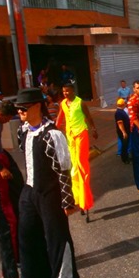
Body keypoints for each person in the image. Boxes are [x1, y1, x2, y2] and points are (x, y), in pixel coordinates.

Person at [15, 87, 80, 278]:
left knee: (58, 249)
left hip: (49, 196)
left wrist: (67, 201)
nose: (20, 112)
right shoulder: (22, 131)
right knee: (28, 247)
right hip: (29, 194)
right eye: (18, 109)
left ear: (37, 106)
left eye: (23, 108)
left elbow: (63, 169)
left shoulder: (52, 134)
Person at [56, 82, 97, 218]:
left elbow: (89, 117)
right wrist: (54, 130)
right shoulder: (63, 103)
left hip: (81, 135)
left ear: (73, 91)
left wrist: (93, 129)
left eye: (68, 91)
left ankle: (86, 200)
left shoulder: (81, 103)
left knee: (81, 166)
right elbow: (60, 118)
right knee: (72, 169)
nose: (66, 93)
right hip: (70, 136)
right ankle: (78, 198)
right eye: (64, 91)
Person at [0, 101, 23, 278]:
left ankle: (21, 254)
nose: (4, 123)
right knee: (8, 222)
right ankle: (11, 270)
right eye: (3, 119)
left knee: (21, 194)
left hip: (1, 157)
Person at [115, 98, 130, 164]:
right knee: (124, 145)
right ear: (122, 104)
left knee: (126, 145)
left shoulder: (122, 111)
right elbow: (120, 123)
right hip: (123, 132)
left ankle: (126, 156)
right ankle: (124, 159)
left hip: (126, 130)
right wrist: (124, 132)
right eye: (124, 103)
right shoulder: (118, 113)